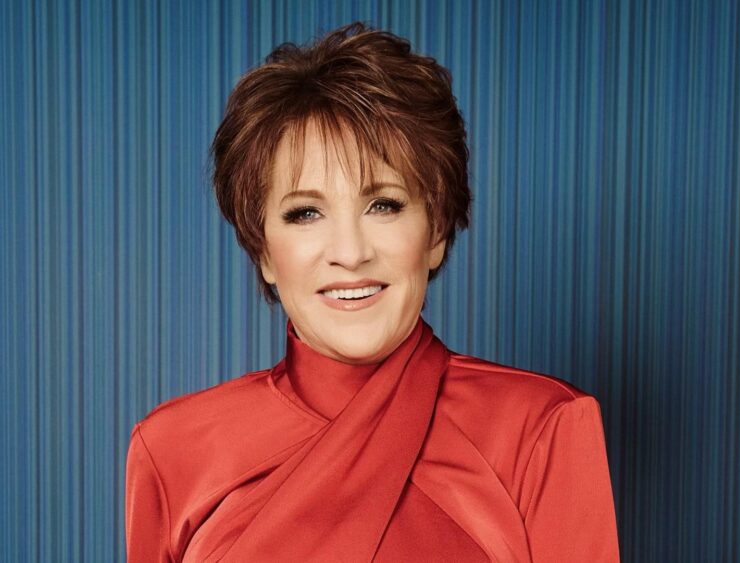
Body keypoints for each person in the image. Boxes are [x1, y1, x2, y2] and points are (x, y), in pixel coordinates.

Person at [125, 21, 620, 562]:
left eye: (383, 205)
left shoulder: (540, 428)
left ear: (435, 233)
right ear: (263, 250)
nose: (350, 251)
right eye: (305, 212)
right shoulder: (172, 450)